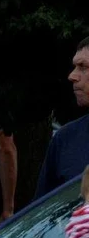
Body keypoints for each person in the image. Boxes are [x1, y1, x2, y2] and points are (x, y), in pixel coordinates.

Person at [36, 37, 89, 199]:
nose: (72, 76)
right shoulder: (65, 139)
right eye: (75, 67)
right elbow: (42, 215)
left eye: (83, 67)